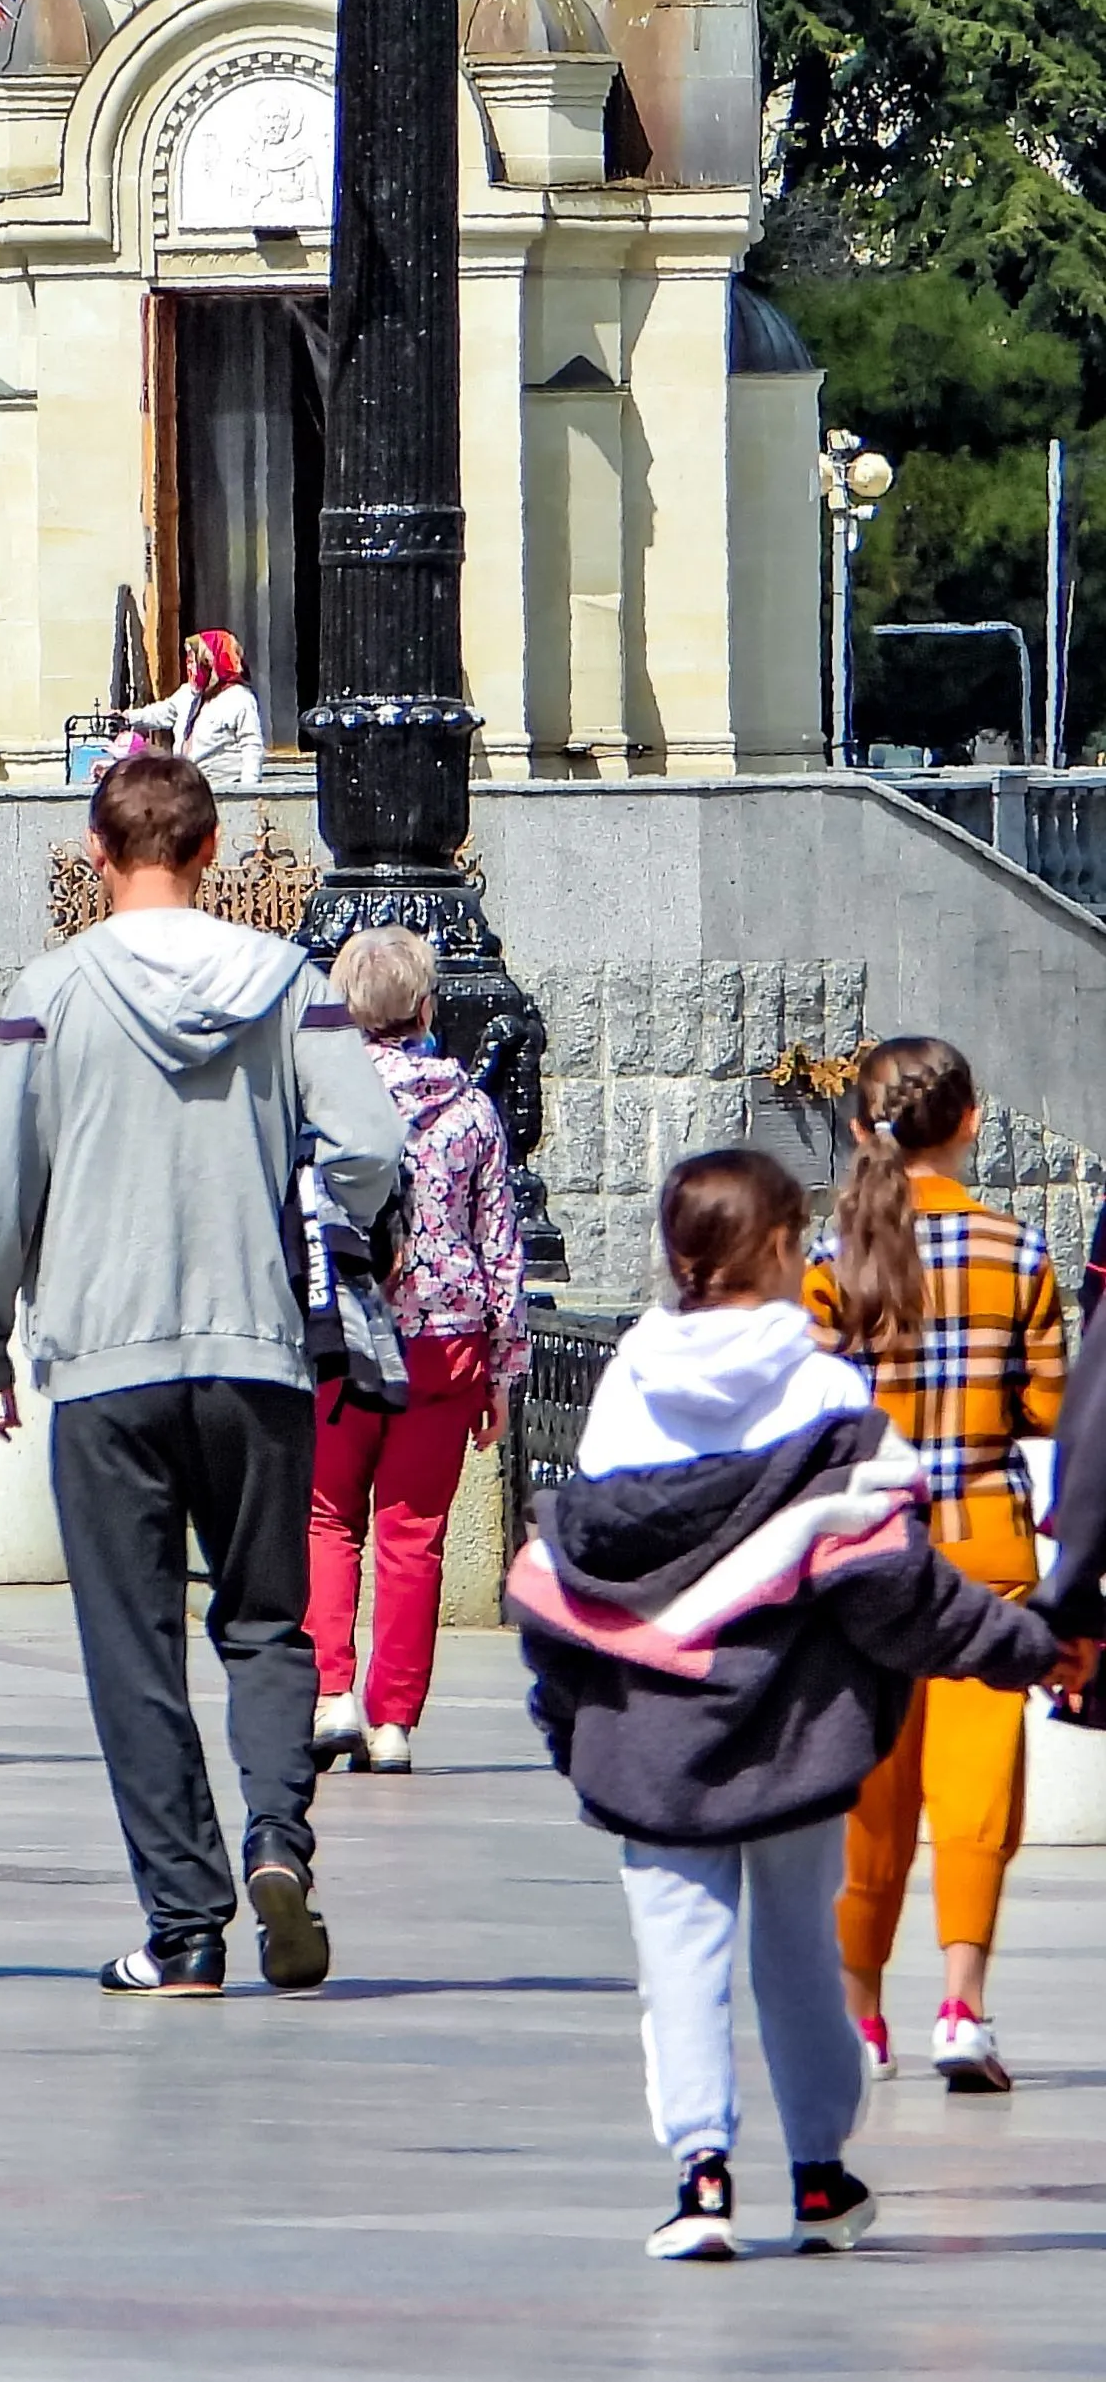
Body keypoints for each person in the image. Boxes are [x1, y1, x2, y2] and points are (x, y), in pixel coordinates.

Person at [512, 1146, 1084, 2262]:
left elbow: (571, 1579)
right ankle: (819, 2173)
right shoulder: (822, 1393)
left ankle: (699, 2174)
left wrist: (570, 1726)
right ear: (780, 1251)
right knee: (795, 1960)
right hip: (792, 1736)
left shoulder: (626, 1381)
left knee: (676, 1966)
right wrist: (1030, 1648)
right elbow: (890, 1593)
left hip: (647, 1739)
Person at [0, 749, 403, 1997]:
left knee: (130, 1643)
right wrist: (313, 1211)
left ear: (96, 855)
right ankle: (276, 1841)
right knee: (265, 1623)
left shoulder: (48, 992)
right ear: (208, 855)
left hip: (102, 1359)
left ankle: (184, 1928)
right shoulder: (286, 983)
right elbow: (367, 1142)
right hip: (251, 1347)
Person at [806, 1036, 1069, 2094]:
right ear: (967, 1123)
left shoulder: (832, 1258)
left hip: (864, 1557)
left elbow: (808, 1412)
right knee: (975, 1791)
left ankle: (858, 2015)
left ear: (865, 1129)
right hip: (983, 1551)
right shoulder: (1016, 1250)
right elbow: (1052, 1404)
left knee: (869, 1796)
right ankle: (960, 2005)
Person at [306, 925, 531, 1777]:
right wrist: (506, 1369)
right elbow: (501, 1245)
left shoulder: (325, 1105)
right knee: (414, 1529)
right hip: (445, 1341)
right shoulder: (470, 1110)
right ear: (428, 1006)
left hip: (343, 1336)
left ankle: (333, 1692)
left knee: (328, 1517)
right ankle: (394, 1718)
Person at [140, 629, 265, 790]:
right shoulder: (190, 694)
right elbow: (164, 712)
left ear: (210, 662)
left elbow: (251, 745)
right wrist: (127, 718)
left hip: (222, 789)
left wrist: (248, 791)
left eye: (194, 661)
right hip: (187, 787)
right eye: (189, 661)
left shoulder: (239, 698)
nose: (190, 666)